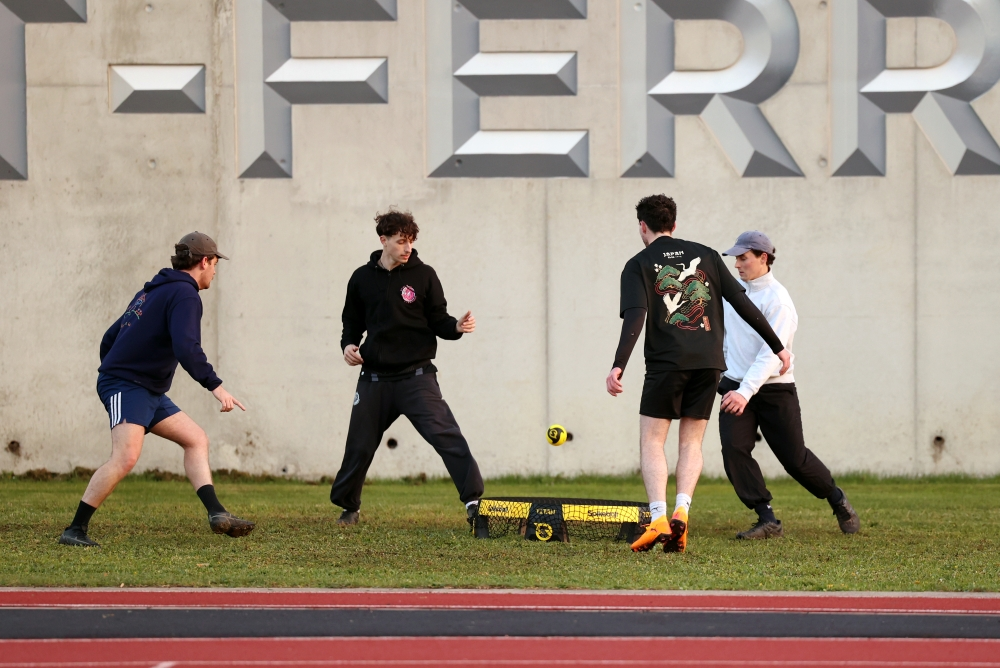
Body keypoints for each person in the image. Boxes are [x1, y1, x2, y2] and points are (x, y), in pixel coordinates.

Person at [606, 195, 791, 553]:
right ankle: (682, 512)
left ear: (643, 226)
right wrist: (778, 346)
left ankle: (658, 518)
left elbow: (636, 316)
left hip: (666, 363)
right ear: (674, 224)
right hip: (709, 363)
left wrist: (619, 364)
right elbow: (742, 302)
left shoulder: (637, 264)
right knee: (691, 442)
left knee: (652, 441)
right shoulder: (706, 255)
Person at [59, 232, 254, 547]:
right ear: (204, 261)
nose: (215, 272)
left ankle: (217, 512)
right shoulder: (186, 294)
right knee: (125, 457)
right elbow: (186, 347)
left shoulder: (151, 291)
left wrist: (124, 367)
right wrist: (215, 386)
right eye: (215, 265)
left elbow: (110, 337)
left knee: (195, 439)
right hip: (128, 385)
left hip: (145, 388)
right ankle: (74, 530)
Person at [331, 209, 484, 528]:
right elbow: (351, 322)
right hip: (374, 380)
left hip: (417, 378)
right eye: (401, 241)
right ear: (383, 240)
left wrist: (456, 326)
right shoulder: (361, 278)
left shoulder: (424, 275)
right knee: (359, 446)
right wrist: (348, 345)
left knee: (447, 436)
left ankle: (473, 503)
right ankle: (349, 508)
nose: (407, 248)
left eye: (411, 241)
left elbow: (439, 320)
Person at [718, 231, 859, 539]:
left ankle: (836, 498)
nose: (737, 265)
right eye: (736, 259)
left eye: (743, 258)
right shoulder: (733, 294)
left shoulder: (779, 301)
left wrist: (745, 391)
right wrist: (725, 375)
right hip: (736, 389)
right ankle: (766, 518)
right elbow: (727, 337)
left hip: (773, 391)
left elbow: (772, 355)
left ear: (763, 258)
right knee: (734, 450)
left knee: (795, 460)